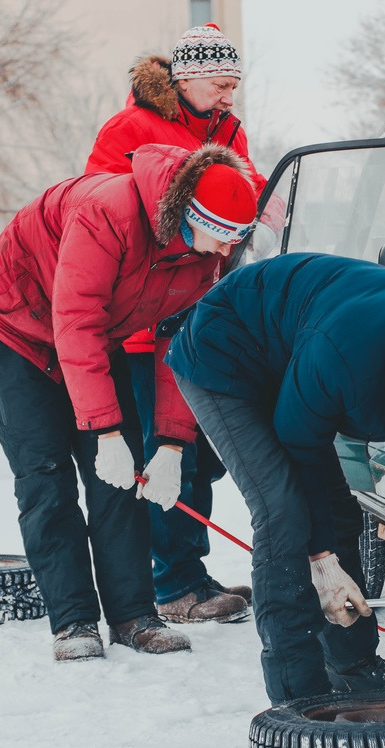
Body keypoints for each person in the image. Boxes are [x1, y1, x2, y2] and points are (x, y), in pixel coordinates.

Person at [166, 253, 385, 703]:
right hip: (225, 352)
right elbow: (302, 451)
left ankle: (353, 666)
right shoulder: (345, 358)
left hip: (300, 347)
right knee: (283, 510)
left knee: (338, 512)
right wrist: (321, 564)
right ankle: (297, 692)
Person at [0, 142, 258, 662]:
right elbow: (75, 319)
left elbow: (182, 346)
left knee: (121, 484)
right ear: (190, 216)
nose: (224, 253)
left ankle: (133, 616)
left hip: (96, 334)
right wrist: (104, 432)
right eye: (220, 237)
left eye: (236, 241)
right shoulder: (109, 211)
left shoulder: (205, 255)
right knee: (46, 477)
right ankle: (74, 621)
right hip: (18, 325)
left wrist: (171, 443)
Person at [83, 23, 267, 624]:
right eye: (220, 84)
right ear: (184, 79)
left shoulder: (228, 131)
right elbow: (99, 206)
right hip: (140, 326)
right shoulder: (130, 129)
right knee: (160, 454)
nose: (229, 96)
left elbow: (247, 193)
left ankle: (190, 570)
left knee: (195, 453)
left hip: (196, 307)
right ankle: (173, 585)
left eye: (234, 85)